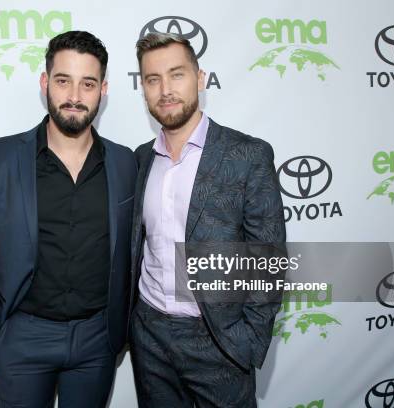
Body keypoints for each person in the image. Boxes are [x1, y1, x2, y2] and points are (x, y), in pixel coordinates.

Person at [0, 30, 136, 408]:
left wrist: (117, 332)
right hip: (22, 338)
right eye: (63, 81)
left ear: (103, 89)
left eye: (87, 83)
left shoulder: (126, 163)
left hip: (97, 341)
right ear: (45, 83)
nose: (74, 96)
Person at [129, 32, 286, 407]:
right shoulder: (139, 159)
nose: (165, 89)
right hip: (150, 336)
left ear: (200, 79)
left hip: (219, 339)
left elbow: (268, 258)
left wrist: (245, 339)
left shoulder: (247, 155)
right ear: (144, 89)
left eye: (177, 74)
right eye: (153, 80)